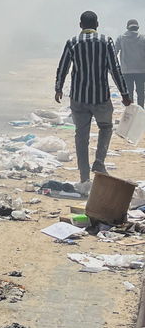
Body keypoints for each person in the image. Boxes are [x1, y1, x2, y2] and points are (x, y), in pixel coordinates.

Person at [55, 10, 131, 194]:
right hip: (101, 98)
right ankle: (99, 162)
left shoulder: (72, 43)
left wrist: (58, 87)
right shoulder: (105, 42)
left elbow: (63, 66)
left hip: (78, 98)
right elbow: (115, 68)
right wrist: (124, 93)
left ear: (80, 25)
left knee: (81, 137)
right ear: (97, 25)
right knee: (105, 127)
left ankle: (84, 177)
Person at [115, 19, 145, 107]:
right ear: (137, 27)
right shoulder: (143, 38)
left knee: (129, 94)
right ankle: (141, 111)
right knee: (141, 93)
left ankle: (130, 113)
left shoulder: (121, 38)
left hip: (126, 71)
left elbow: (114, 53)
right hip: (141, 70)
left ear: (127, 27)